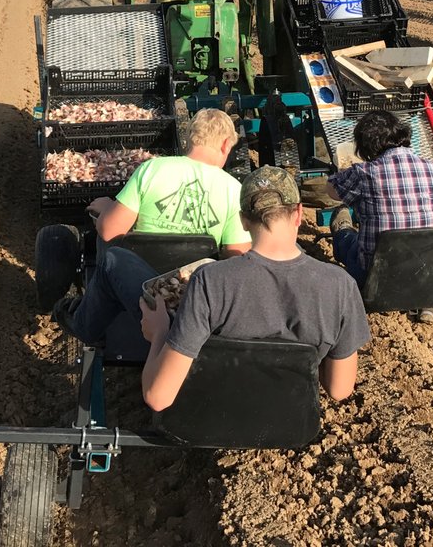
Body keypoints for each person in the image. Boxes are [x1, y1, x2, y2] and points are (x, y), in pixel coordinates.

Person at [139, 166, 372, 410]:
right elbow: (339, 389)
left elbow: (158, 397)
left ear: (242, 220)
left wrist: (159, 335)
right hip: (293, 425)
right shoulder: (340, 285)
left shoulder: (209, 280)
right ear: (299, 214)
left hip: (216, 415)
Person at [54, 109, 251, 345]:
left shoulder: (153, 169)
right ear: (226, 144)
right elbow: (236, 256)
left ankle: (85, 323)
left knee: (109, 249)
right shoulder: (233, 189)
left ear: (188, 138)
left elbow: (110, 231)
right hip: (192, 298)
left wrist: (107, 207)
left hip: (138, 289)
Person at [325, 109, 433, 325]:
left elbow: (331, 191)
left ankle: (343, 228)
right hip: (428, 273)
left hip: (377, 277)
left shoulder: (364, 172)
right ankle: (424, 300)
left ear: (365, 147)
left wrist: (343, 171)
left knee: (345, 240)